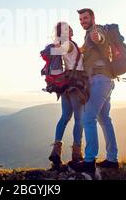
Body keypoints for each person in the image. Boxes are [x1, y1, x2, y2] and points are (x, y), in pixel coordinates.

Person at [70, 9, 119, 175]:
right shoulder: (87, 36)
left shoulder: (96, 30)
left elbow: (100, 38)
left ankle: (90, 161)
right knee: (104, 119)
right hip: (106, 80)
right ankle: (112, 159)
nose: (83, 21)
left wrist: (98, 37)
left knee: (88, 117)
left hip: (99, 80)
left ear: (92, 18)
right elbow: (84, 50)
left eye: (85, 18)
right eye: (81, 19)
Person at [47, 22, 89, 168]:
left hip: (65, 85)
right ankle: (77, 154)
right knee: (79, 119)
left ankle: (56, 150)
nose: (71, 31)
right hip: (77, 85)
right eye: (68, 29)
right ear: (66, 32)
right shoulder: (69, 44)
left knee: (65, 117)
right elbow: (65, 49)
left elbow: (64, 51)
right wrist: (59, 47)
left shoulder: (67, 44)